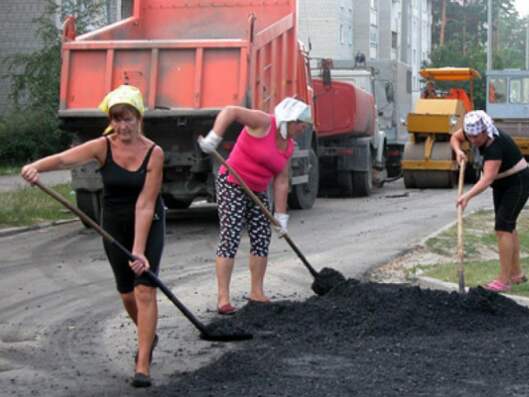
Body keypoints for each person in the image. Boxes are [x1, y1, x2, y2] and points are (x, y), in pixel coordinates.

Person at [21, 85, 165, 388]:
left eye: (129, 118)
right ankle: (147, 334)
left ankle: (143, 362)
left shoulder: (154, 153)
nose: (123, 126)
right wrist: (35, 167)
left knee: (144, 290)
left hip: (148, 221)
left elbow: (145, 203)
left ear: (139, 118)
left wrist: (139, 252)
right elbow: (63, 160)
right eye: (117, 119)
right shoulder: (103, 146)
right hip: (112, 222)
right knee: (127, 293)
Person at [197, 97, 312, 315]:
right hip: (232, 182)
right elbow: (230, 110)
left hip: (258, 190)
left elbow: (281, 179)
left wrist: (280, 216)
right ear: (289, 120)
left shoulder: (288, 144)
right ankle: (223, 298)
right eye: (301, 123)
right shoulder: (263, 122)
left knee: (262, 237)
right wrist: (215, 137)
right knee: (230, 236)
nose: (304, 128)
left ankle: (256, 292)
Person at [450, 110, 529, 293]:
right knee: (508, 227)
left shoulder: (495, 145)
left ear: (484, 131)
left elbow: (486, 179)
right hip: (502, 184)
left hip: (517, 182)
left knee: (503, 227)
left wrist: (466, 196)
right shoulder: (472, 132)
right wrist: (458, 152)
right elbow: (455, 138)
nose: (472, 141)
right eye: (469, 136)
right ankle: (516, 274)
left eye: (476, 137)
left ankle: (504, 280)